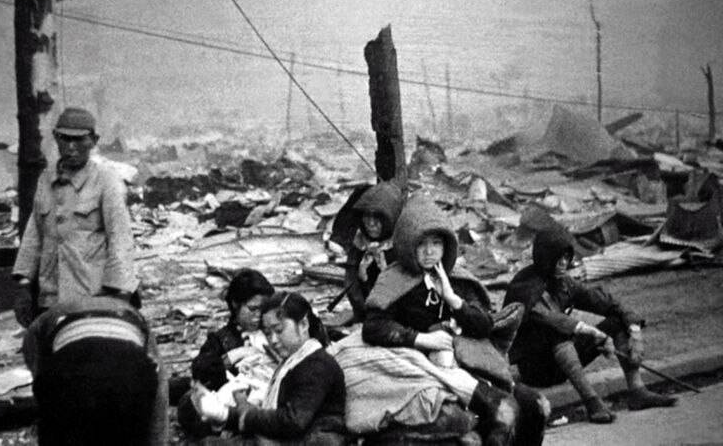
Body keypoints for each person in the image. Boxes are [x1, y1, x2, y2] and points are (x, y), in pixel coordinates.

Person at [363, 194, 543, 446]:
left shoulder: (457, 279)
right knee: (500, 415)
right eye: (421, 244)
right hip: (424, 367)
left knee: (535, 406)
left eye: (436, 243)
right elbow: (373, 327)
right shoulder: (392, 280)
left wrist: (452, 300)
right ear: (406, 245)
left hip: (470, 362)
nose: (429, 252)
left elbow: (484, 326)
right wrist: (422, 339)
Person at [504, 226, 677, 423]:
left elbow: (606, 302)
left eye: (566, 257)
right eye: (557, 258)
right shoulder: (526, 285)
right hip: (536, 369)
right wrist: (592, 332)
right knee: (559, 333)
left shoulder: (564, 283)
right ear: (545, 257)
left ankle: (637, 391)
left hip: (562, 362)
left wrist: (634, 329)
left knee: (616, 321)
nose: (563, 263)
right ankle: (592, 403)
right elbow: (551, 319)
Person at [13, 107, 137, 325]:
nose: (71, 147)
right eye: (65, 139)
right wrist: (23, 285)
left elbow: (120, 238)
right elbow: (34, 236)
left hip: (94, 297)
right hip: (51, 298)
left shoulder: (106, 180)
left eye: (79, 140)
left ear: (93, 141)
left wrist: (119, 293)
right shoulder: (46, 180)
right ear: (56, 138)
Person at [191, 291, 346, 445]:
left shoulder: (317, 365)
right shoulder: (292, 362)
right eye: (268, 333)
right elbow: (275, 416)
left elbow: (293, 421)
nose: (273, 340)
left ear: (304, 324)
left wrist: (229, 414)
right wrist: (221, 413)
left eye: (279, 330)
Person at [22, 295, 167, 446]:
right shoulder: (138, 322)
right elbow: (160, 389)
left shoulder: (40, 326)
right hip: (126, 367)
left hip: (72, 368)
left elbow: (41, 381)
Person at [179, 268, 278, 438]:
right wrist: (236, 354)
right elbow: (202, 367)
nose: (258, 316)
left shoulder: (275, 331)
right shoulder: (223, 339)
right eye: (252, 309)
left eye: (263, 309)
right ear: (235, 304)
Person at [343, 181, 404, 322]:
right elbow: (351, 286)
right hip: (367, 312)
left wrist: (387, 275)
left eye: (377, 217)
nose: (370, 223)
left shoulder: (402, 245)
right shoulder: (360, 242)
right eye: (366, 216)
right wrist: (361, 276)